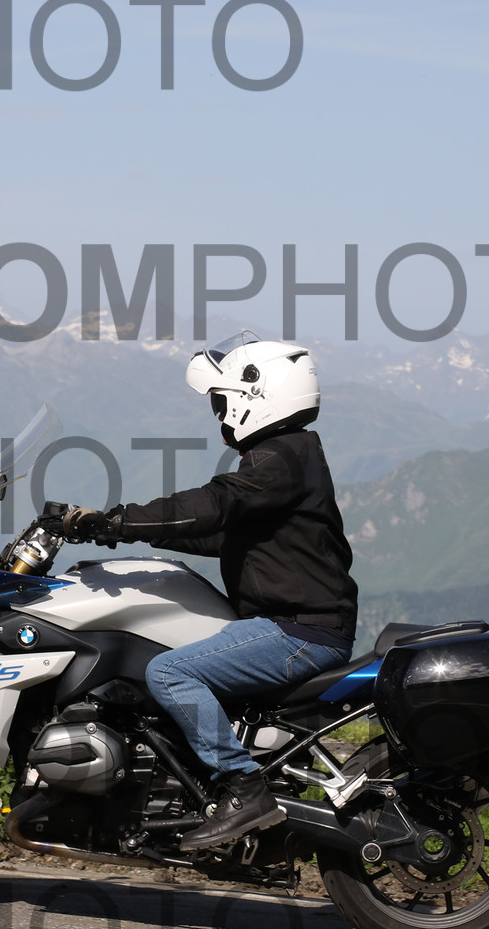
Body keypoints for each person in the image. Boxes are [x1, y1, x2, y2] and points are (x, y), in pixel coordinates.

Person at [63, 333, 358, 850]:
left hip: (300, 632)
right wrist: (117, 533)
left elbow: (214, 505)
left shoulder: (280, 458)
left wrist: (114, 521)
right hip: (295, 624)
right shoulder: (289, 456)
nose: (219, 414)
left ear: (257, 396)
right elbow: (221, 534)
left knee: (169, 672)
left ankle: (244, 787)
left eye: (222, 402)